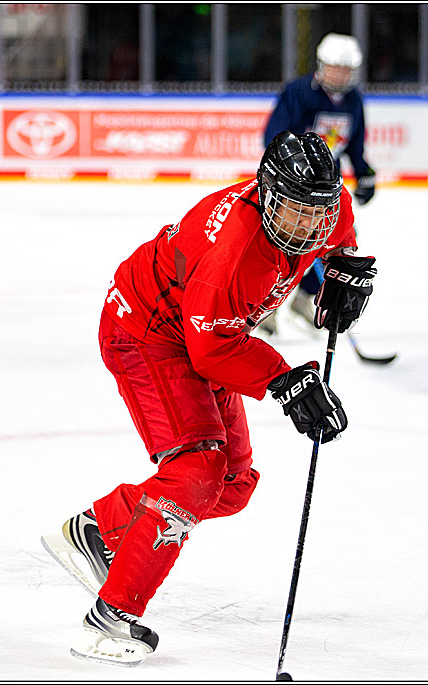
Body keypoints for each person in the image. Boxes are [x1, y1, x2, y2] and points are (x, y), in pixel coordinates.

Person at [41, 131, 377, 666]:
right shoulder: (236, 251)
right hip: (147, 331)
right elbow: (211, 351)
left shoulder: (321, 204)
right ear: (266, 195)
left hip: (206, 333)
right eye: (293, 214)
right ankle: (108, 620)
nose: (306, 229)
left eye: (316, 215)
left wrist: (345, 268)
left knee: (233, 485)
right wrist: (287, 382)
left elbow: (339, 227)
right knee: (197, 472)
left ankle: (96, 531)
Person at [260, 33, 376, 334]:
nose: (341, 75)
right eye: (336, 68)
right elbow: (273, 136)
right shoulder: (299, 92)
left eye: (347, 69)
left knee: (336, 239)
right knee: (284, 244)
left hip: (328, 187)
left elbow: (354, 144)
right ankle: (264, 306)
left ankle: (305, 296)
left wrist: (364, 172)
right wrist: (290, 172)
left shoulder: (353, 101)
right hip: (291, 187)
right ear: (322, 66)